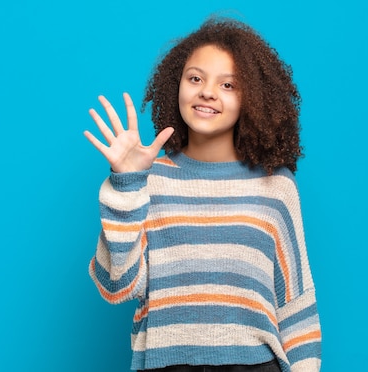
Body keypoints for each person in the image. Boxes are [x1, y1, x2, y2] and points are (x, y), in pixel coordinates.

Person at [84, 16, 321, 372]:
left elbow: (296, 307)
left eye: (228, 84)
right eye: (195, 78)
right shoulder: (148, 180)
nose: (207, 91)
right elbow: (115, 285)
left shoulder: (277, 187)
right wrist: (127, 181)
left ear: (252, 98)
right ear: (176, 84)